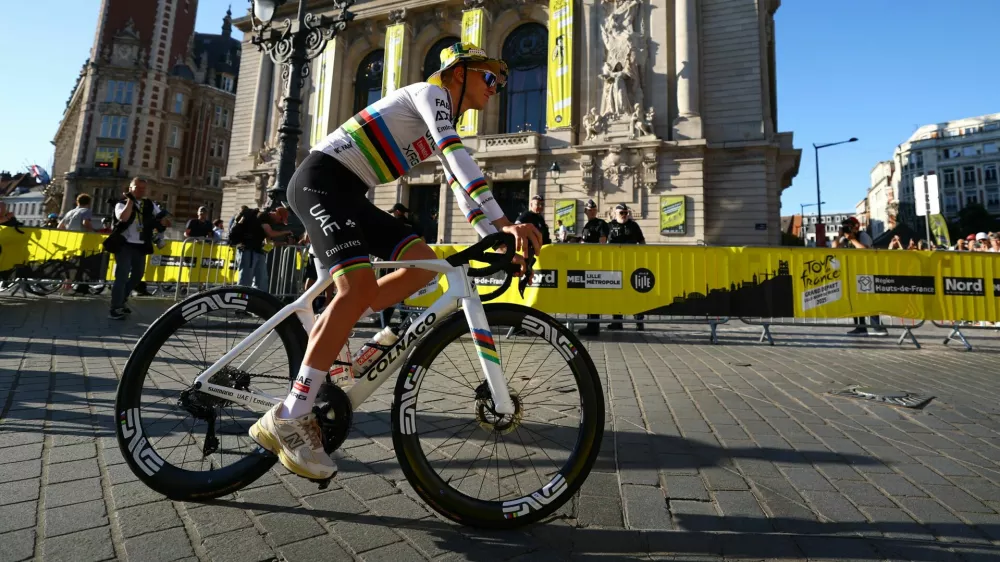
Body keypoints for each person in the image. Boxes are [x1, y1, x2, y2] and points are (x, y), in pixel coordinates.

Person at [248, 42, 541, 481]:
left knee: (423, 264)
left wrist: (496, 240)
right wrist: (505, 222)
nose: (497, 87)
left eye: (501, 81)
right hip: (321, 182)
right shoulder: (432, 94)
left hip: (351, 194)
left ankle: (341, 332)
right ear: (459, 73)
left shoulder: (443, 114)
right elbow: (459, 157)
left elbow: (460, 188)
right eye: (490, 77)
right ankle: (291, 412)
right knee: (357, 290)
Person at [109, 178, 171, 320]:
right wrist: (130, 201)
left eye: (143, 188)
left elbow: (164, 220)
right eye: (137, 187)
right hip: (124, 244)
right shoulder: (121, 203)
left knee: (138, 275)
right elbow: (123, 218)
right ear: (130, 188)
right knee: (122, 276)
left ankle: (121, 300)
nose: (141, 191)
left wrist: (163, 220)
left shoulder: (149, 204)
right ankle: (115, 307)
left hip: (141, 245)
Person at [832, 217, 886, 336]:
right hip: (852, 272)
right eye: (845, 226)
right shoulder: (846, 238)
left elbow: (865, 250)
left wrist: (853, 240)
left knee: (869, 300)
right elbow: (834, 248)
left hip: (866, 271)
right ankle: (860, 327)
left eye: (849, 226)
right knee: (855, 300)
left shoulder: (863, 235)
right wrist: (839, 236)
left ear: (855, 226)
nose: (847, 229)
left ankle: (878, 327)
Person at [379, 203, 422, 328]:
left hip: (390, 260)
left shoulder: (390, 223)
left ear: (397, 212)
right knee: (404, 291)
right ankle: (404, 320)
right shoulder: (412, 225)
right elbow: (421, 241)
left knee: (387, 290)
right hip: (407, 262)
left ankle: (385, 321)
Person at [232, 206, 293, 289]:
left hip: (257, 251)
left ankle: (258, 299)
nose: (280, 222)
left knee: (262, 279)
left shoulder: (269, 222)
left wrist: (283, 243)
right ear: (277, 214)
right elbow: (270, 233)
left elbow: (268, 243)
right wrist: (285, 232)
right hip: (248, 250)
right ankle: (242, 298)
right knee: (246, 279)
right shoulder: (264, 216)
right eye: (281, 219)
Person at [606, 203, 646, 330]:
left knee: (635, 292)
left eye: (626, 213)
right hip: (615, 264)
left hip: (631, 263)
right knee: (616, 293)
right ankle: (617, 322)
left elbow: (642, 241)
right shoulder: (610, 226)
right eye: (621, 213)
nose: (624, 215)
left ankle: (639, 320)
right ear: (615, 214)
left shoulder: (633, 225)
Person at [578, 199, 609, 336]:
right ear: (585, 211)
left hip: (596, 263)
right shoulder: (587, 225)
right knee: (589, 295)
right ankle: (590, 324)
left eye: (594, 210)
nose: (592, 212)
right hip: (587, 263)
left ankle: (594, 326)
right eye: (589, 210)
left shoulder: (601, 224)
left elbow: (602, 243)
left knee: (594, 295)